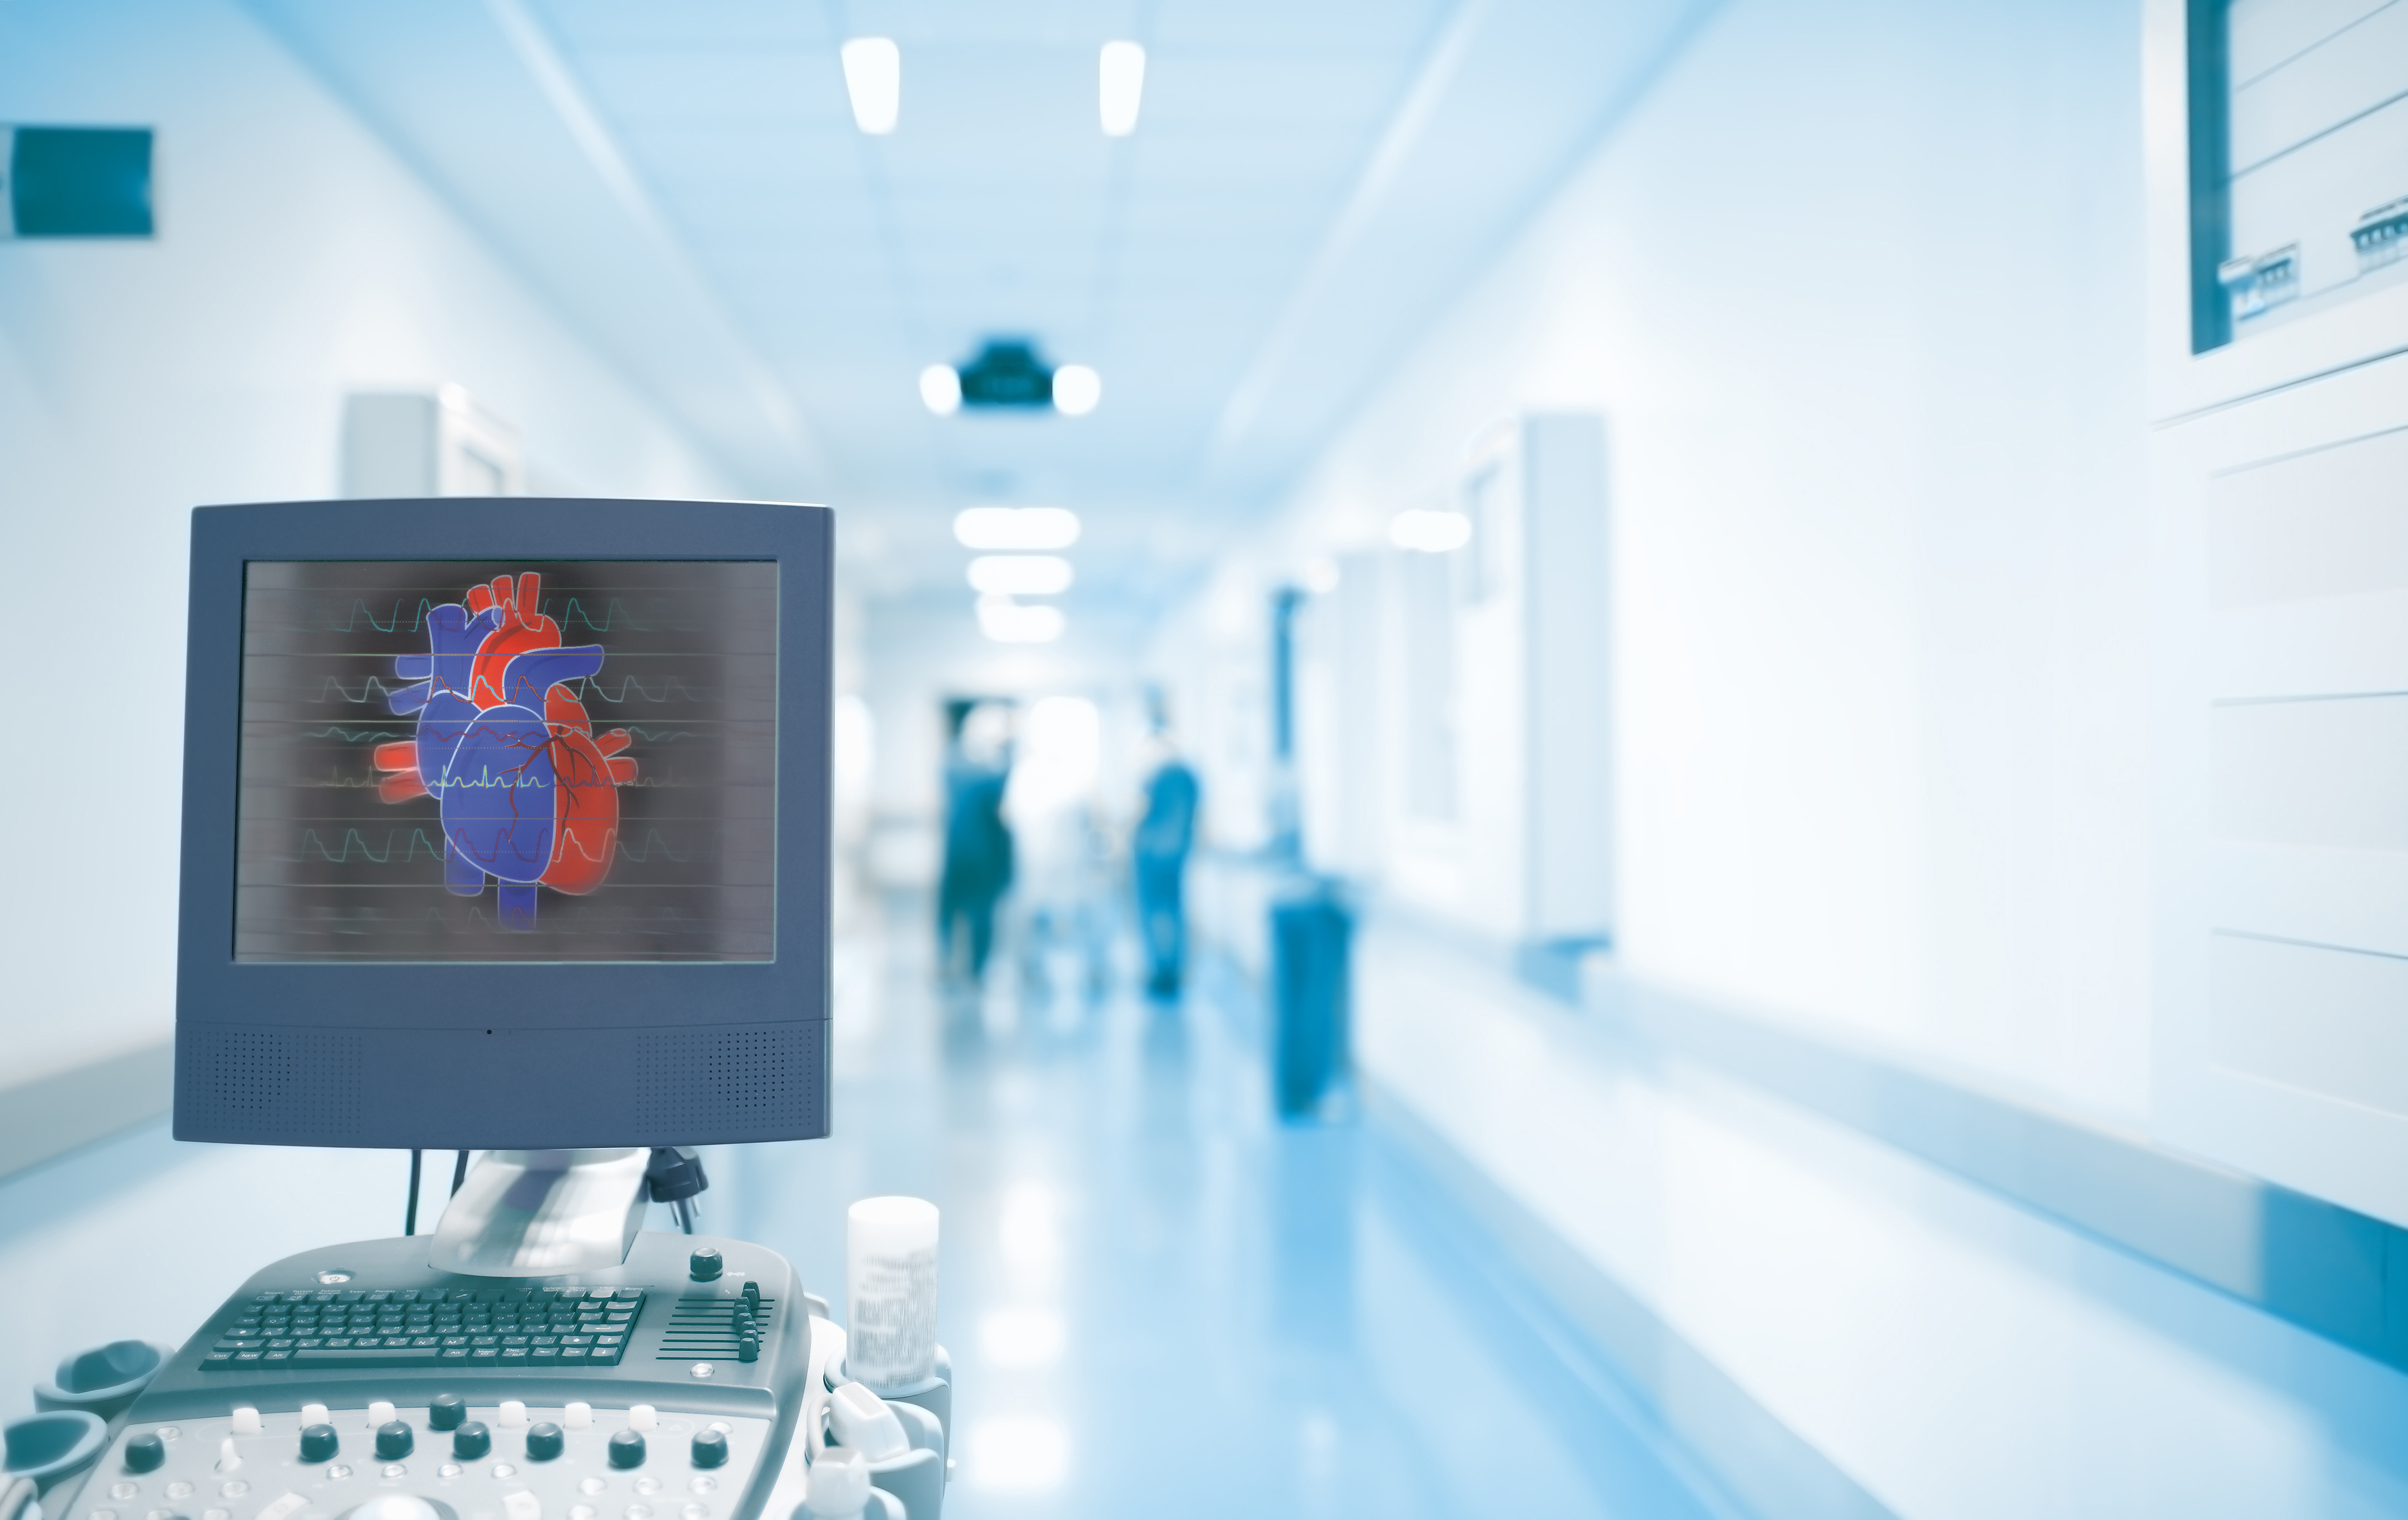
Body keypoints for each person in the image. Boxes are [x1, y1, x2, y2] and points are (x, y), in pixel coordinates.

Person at [937, 701, 1014, 986]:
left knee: (982, 914)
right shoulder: (959, 759)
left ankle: (976, 969)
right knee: (952, 910)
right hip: (961, 849)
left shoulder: (995, 764)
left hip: (988, 852)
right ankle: (948, 964)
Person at [1132, 732, 1200, 998]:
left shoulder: (1157, 776)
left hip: (1151, 854)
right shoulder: (1190, 778)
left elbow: (1140, 811)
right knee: (1174, 911)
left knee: (1155, 913)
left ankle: (1160, 971)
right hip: (1178, 855)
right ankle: (1174, 969)